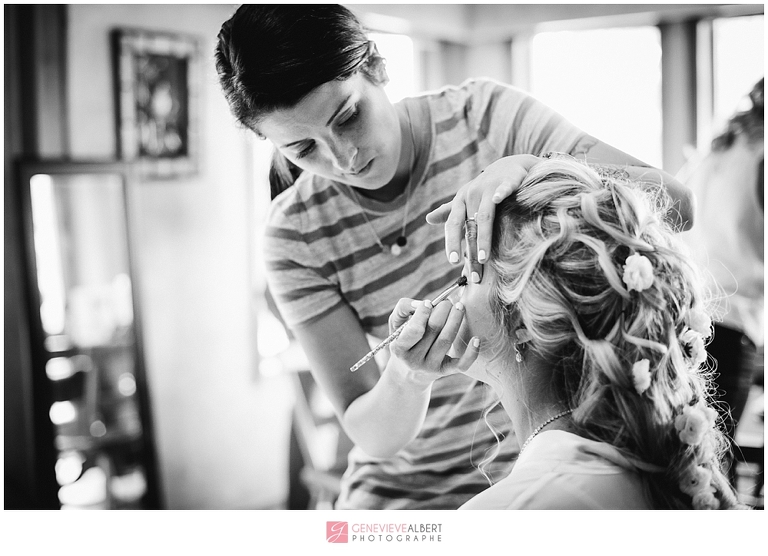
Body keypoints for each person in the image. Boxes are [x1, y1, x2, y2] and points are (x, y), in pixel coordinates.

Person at [214, 4, 694, 509]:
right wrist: (407, 376)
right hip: (399, 503)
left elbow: (678, 207)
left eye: (348, 117)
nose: (344, 159)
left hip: (537, 477)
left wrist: (532, 169)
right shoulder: (294, 234)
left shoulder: (484, 118)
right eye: (303, 150)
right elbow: (371, 434)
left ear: (376, 67)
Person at [390, 153, 743, 509]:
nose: (450, 296)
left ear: (526, 322)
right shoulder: (626, 466)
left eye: (466, 279)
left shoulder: (517, 508)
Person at [678, 78, 763, 480]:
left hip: (690, 313)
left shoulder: (719, 150)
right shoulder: (762, 155)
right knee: (714, 470)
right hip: (733, 317)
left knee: (691, 464)